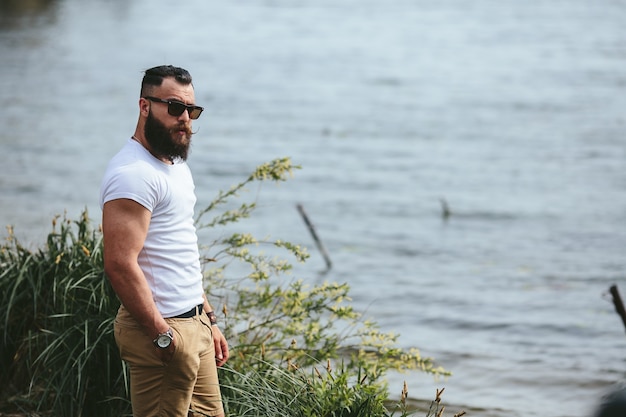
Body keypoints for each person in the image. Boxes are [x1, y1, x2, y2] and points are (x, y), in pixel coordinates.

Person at [100, 65, 228, 417]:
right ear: (144, 106)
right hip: (162, 331)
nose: (185, 118)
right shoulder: (133, 175)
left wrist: (208, 319)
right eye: (174, 107)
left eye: (192, 110)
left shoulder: (175, 167)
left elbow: (181, 250)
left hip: (193, 325)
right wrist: (163, 336)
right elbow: (119, 264)